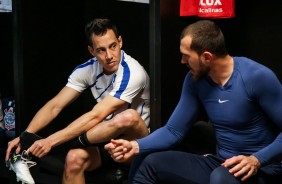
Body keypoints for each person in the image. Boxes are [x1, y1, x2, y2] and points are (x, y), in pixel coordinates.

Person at [105, 20, 282, 184]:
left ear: (206, 57)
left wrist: (256, 160)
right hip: (221, 164)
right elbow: (174, 131)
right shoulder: (195, 80)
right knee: (147, 159)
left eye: (186, 56)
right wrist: (135, 146)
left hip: (261, 167)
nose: (182, 61)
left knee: (221, 178)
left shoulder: (256, 77)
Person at [5, 18, 150, 184]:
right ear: (91, 51)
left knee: (127, 116)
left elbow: (96, 116)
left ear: (120, 41)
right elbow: (55, 105)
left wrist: (50, 141)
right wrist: (25, 136)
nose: (109, 56)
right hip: (107, 139)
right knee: (74, 159)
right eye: (101, 50)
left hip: (137, 143)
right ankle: (24, 153)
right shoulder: (87, 69)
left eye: (113, 46)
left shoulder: (132, 72)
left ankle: (39, 150)